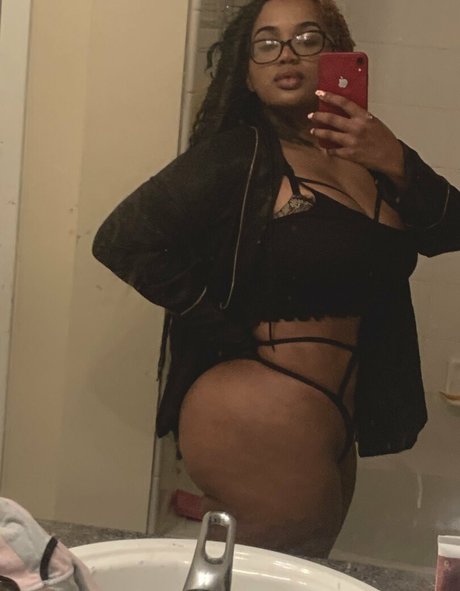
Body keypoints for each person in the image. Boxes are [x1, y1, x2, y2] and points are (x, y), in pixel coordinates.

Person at [92, 0, 460, 557]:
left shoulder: (368, 153)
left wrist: (396, 159)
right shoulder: (238, 156)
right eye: (266, 44)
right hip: (261, 408)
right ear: (247, 72)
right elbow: (120, 239)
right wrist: (223, 327)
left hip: (334, 414)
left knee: (294, 567)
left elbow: (449, 230)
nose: (286, 54)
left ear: (336, 55)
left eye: (307, 39)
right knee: (281, 571)